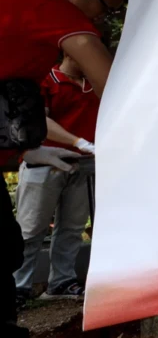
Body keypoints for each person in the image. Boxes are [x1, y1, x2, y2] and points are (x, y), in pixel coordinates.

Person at [0, 0, 126, 338]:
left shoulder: (18, 6)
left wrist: (40, 146)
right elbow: (115, 85)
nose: (102, 20)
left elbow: (16, 107)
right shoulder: (52, 9)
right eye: (106, 8)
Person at [13, 56, 99, 304]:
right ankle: (19, 287)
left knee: (72, 227)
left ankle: (62, 280)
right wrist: (78, 141)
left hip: (84, 163)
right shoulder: (47, 80)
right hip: (43, 162)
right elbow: (39, 120)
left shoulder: (94, 83)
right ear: (70, 53)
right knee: (30, 228)